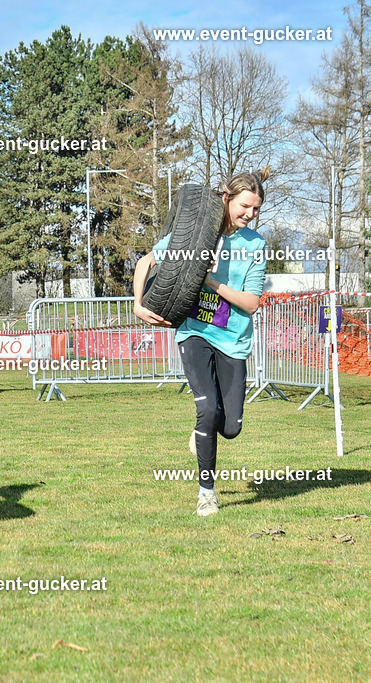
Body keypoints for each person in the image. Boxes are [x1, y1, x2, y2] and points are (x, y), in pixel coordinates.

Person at [133, 167, 270, 517]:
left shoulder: (255, 245)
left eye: (255, 209)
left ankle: (202, 434)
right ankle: (206, 493)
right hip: (195, 331)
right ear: (227, 199)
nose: (249, 214)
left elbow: (252, 303)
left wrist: (209, 281)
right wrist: (137, 303)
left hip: (233, 339)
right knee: (207, 409)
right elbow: (146, 261)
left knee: (231, 427)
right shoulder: (197, 234)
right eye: (244, 206)